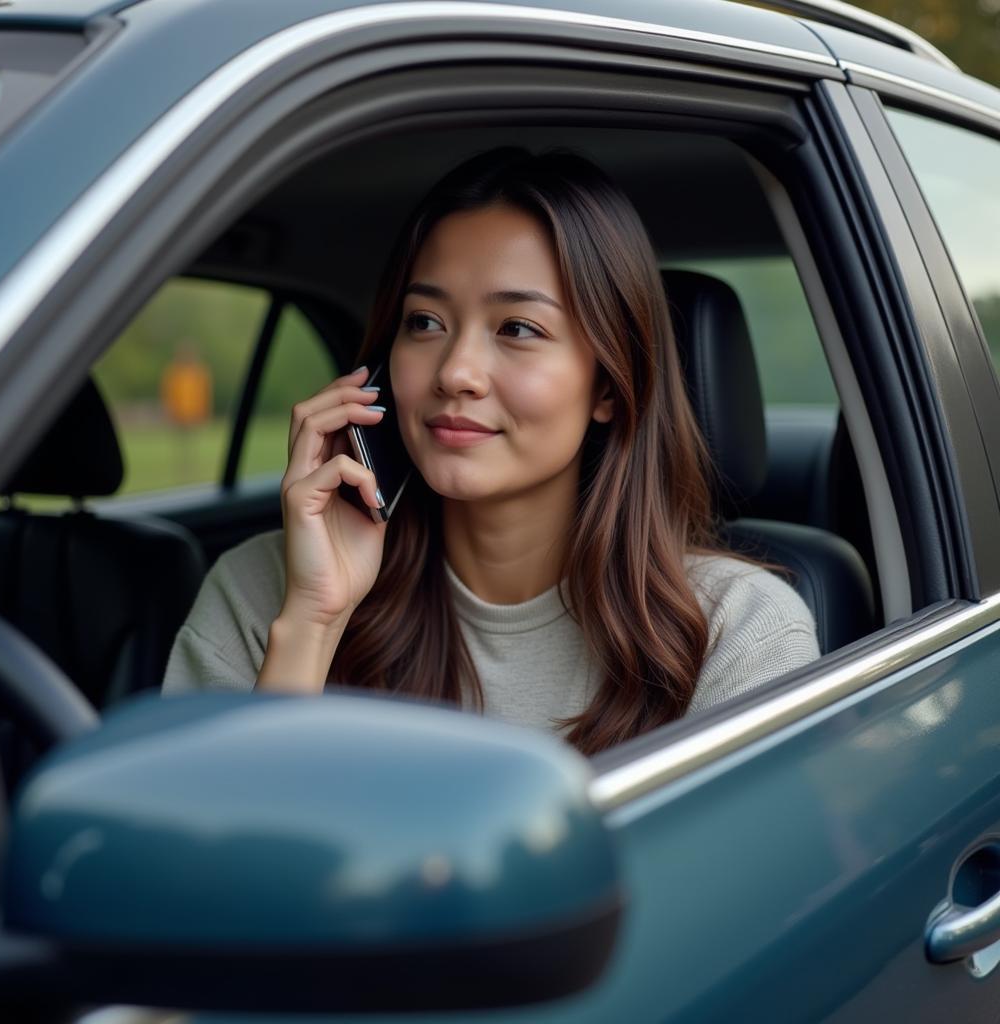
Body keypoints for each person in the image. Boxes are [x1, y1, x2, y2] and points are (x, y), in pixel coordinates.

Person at [162, 147, 820, 754]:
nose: (456, 372)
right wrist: (312, 624)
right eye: (425, 323)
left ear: (609, 387)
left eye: (518, 328)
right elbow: (202, 875)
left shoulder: (740, 633)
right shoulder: (265, 591)